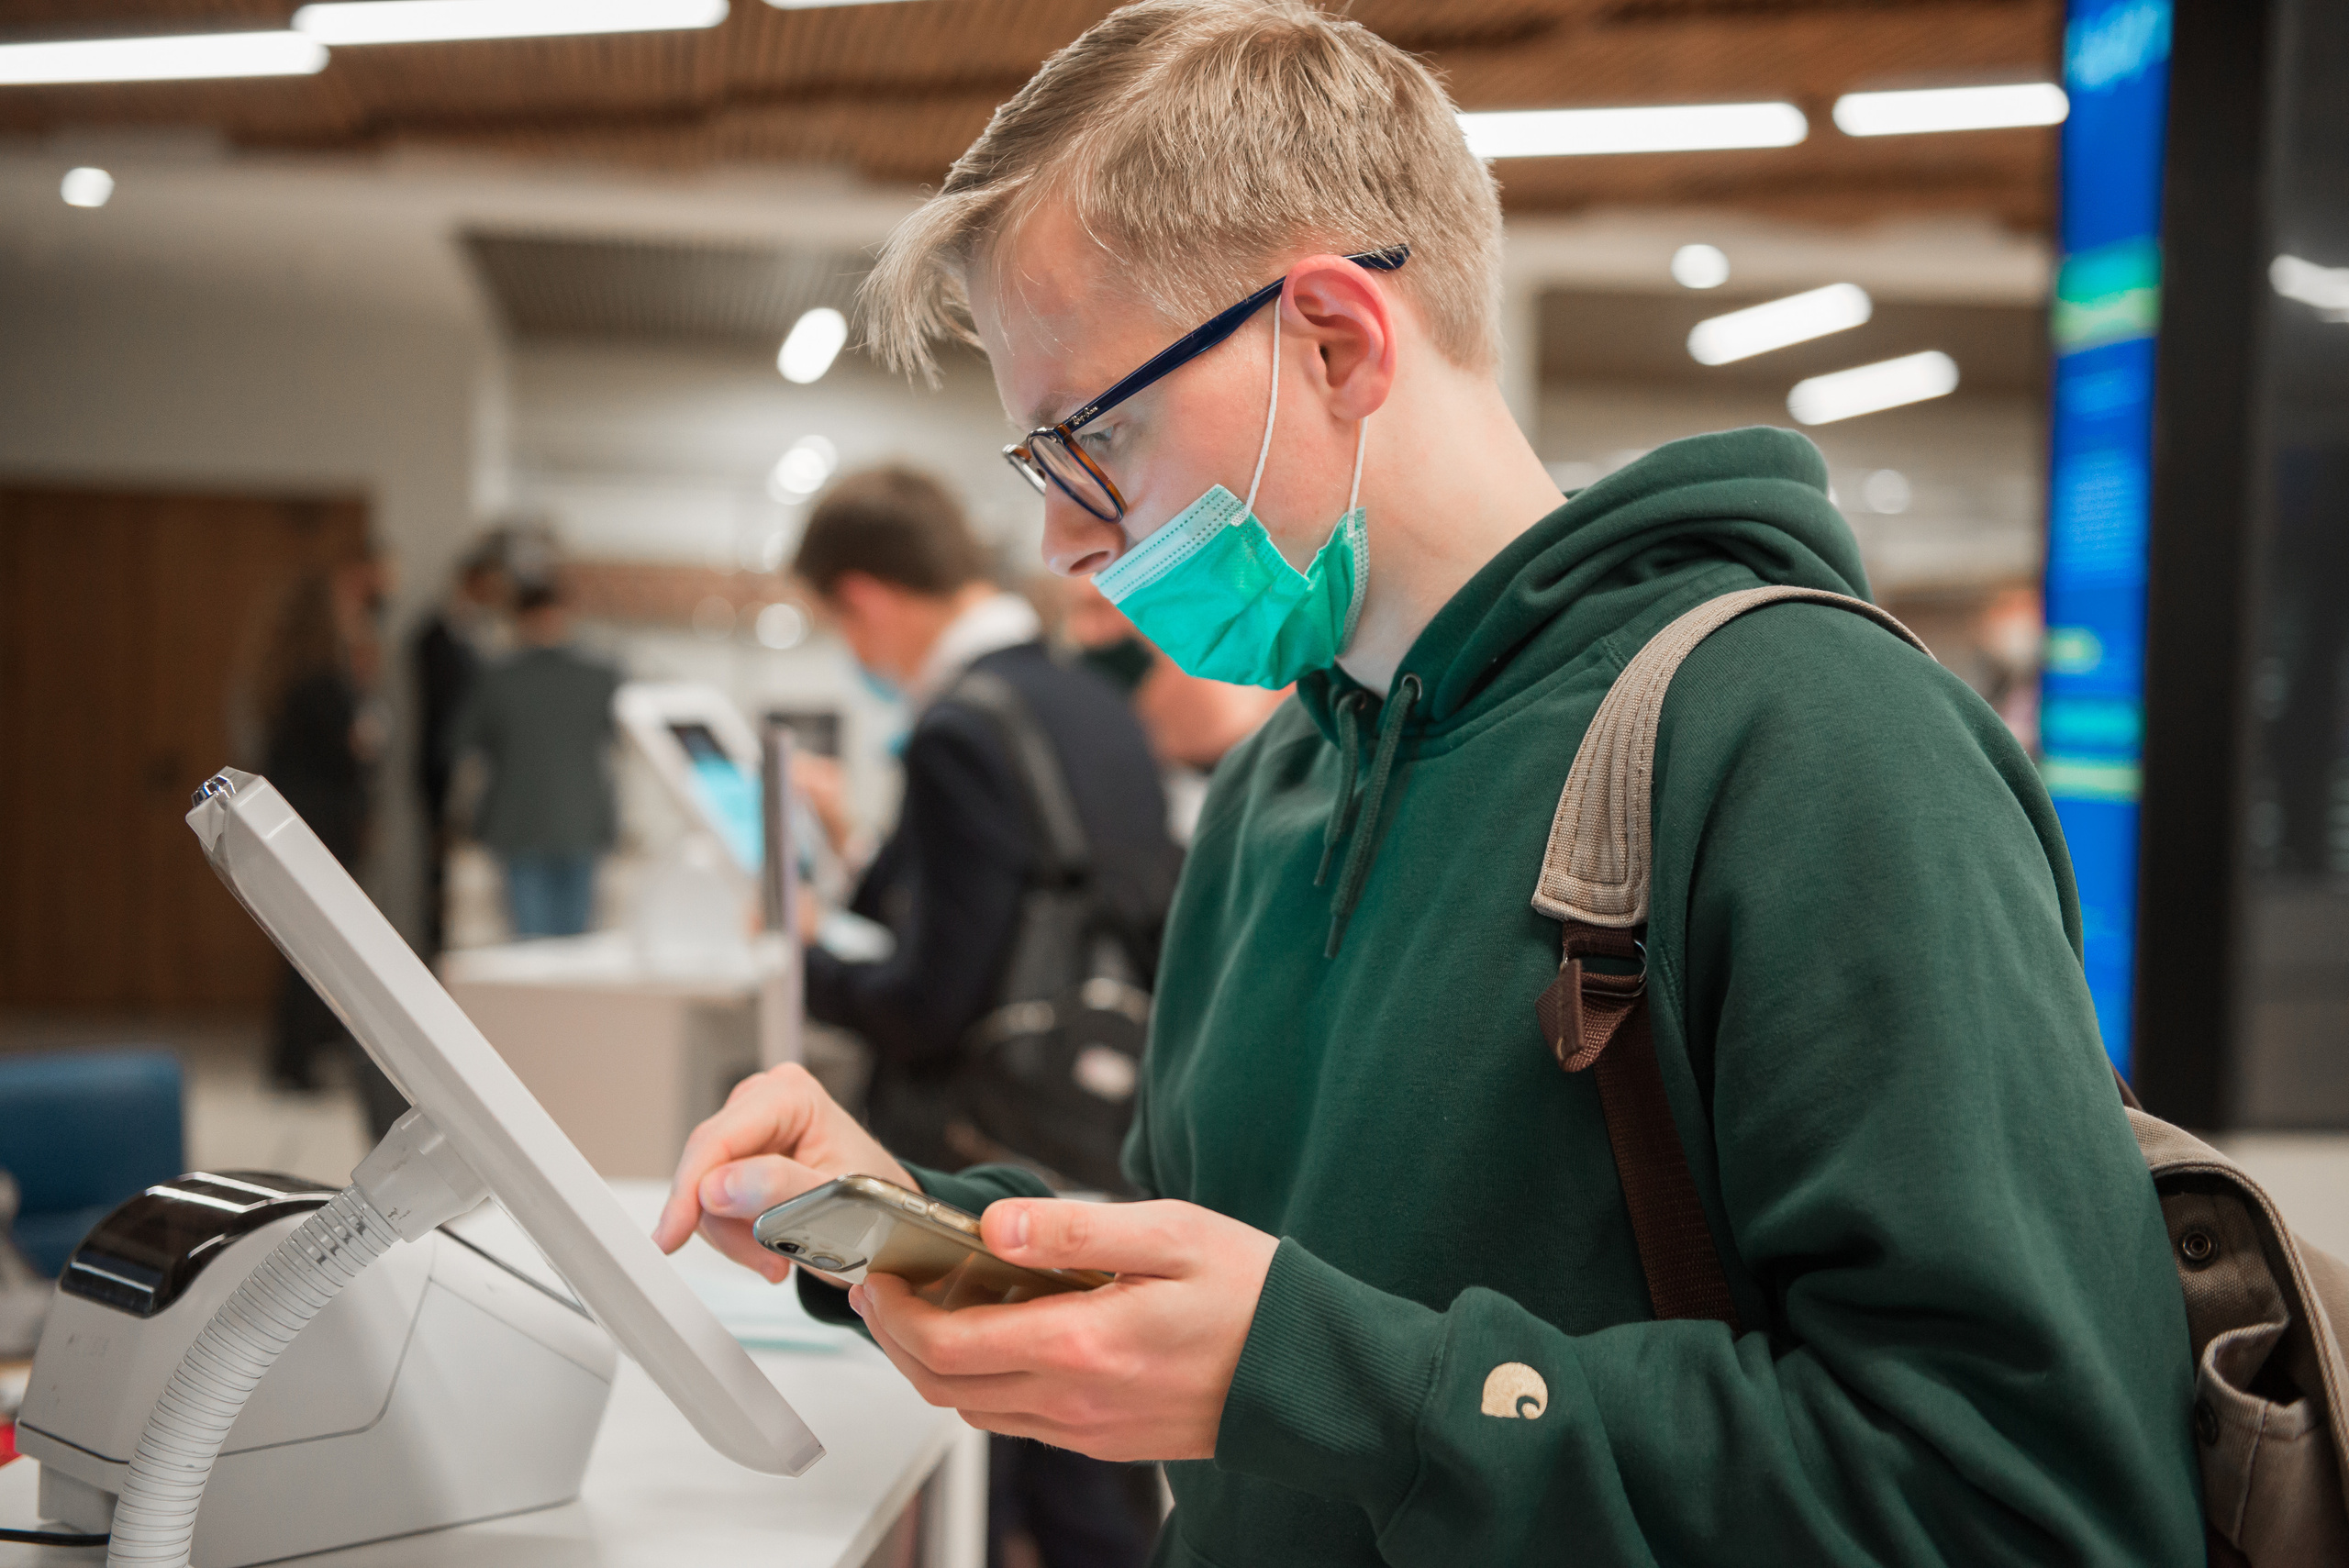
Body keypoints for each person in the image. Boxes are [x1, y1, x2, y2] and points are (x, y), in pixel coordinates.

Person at [655, 6, 2203, 1566]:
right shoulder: (1279, 786)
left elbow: (2026, 1492)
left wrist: (1356, 1383)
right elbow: (1253, 1290)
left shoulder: (1816, 740)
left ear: (1333, 341)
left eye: (1092, 437)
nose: (1066, 540)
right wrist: (929, 1222)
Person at [786, 465, 1177, 1568]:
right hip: (1104, 1116)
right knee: (1089, 1469)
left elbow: (927, 1003)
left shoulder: (962, 728)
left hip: (988, 1147)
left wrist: (804, 960)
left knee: (992, 1452)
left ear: (863, 598)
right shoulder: (1093, 702)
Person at [451, 578, 620, 940]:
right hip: (581, 822)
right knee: (574, 950)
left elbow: (459, 743)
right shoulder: (601, 677)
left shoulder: (496, 678)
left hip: (518, 824)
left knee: (530, 949)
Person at [408, 536, 510, 958]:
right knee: (440, 881)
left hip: (466, 773)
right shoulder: (434, 637)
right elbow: (444, 718)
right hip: (441, 774)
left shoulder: (473, 637)